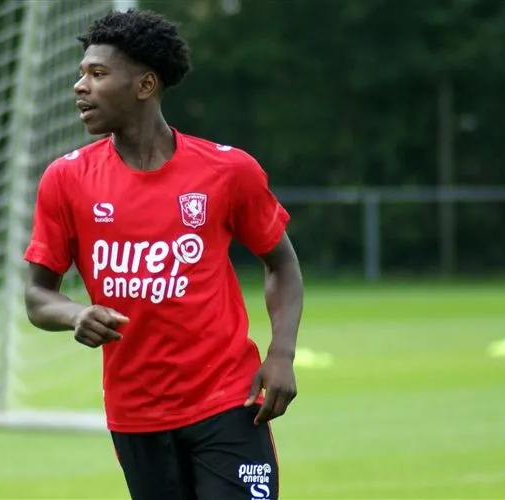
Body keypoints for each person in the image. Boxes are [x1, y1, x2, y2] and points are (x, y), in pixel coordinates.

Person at [23, 8, 304, 500]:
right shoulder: (65, 180)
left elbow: (281, 262)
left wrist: (281, 355)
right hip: (136, 414)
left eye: (97, 73)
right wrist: (75, 315)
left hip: (228, 402)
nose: (79, 86)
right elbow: (37, 295)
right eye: (81, 72)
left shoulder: (228, 170)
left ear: (145, 85)